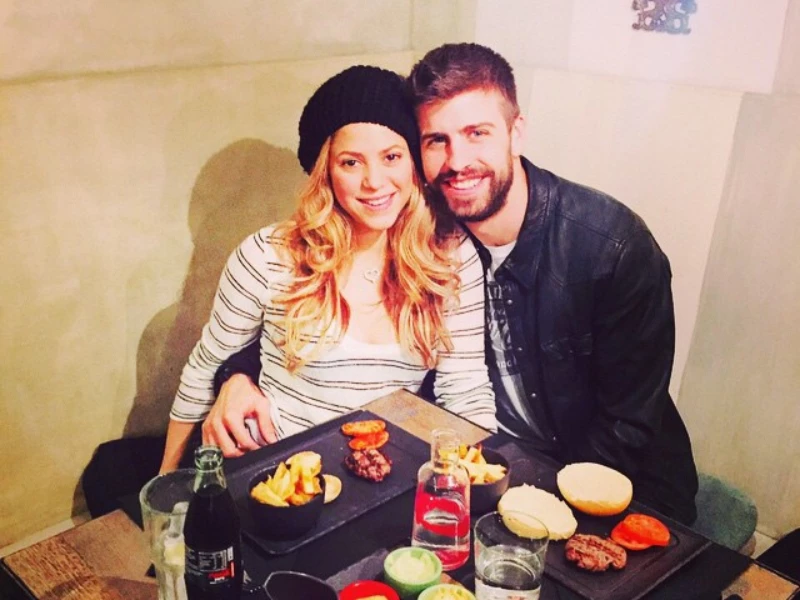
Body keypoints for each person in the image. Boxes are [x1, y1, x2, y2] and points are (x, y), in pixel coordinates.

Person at [211, 44, 699, 524]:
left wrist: (535, 505)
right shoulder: (425, 230)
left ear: (516, 133)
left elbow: (625, 429)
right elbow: (314, 315)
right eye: (436, 140)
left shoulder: (612, 248)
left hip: (615, 491)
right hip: (488, 464)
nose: (457, 161)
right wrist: (238, 373)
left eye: (477, 133)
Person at [159, 65, 496, 474]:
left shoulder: (450, 256)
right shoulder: (269, 255)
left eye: (391, 157)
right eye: (351, 162)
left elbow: (466, 391)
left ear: (413, 163)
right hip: (274, 477)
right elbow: (204, 369)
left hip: (383, 479)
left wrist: (479, 488)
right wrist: (164, 487)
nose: (374, 182)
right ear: (326, 171)